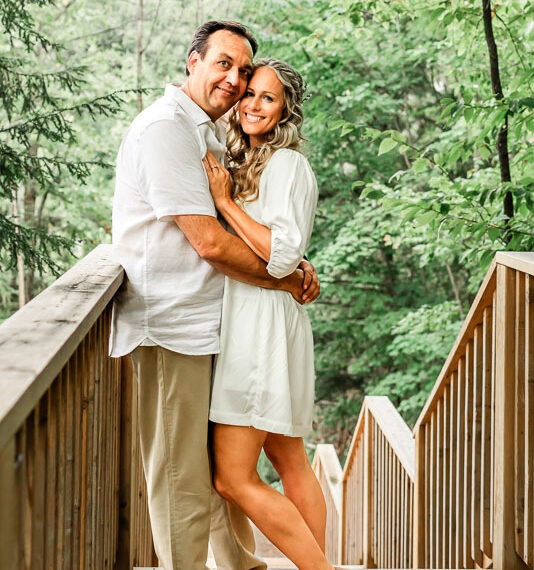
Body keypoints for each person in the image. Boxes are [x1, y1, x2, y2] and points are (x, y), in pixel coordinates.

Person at [109, 21, 319, 570]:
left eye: (246, 73)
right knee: (182, 478)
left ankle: (243, 565)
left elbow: (256, 230)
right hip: (170, 326)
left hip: (213, 327)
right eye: (224, 64)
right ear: (193, 61)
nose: (235, 81)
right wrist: (287, 277)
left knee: (212, 474)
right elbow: (208, 242)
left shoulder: (207, 132)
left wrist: (291, 261)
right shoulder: (166, 129)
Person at [202, 59, 334, 570]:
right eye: (249, 94)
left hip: (259, 328)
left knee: (231, 477)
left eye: (267, 98)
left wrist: (226, 203)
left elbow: (280, 254)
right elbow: (288, 252)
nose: (253, 105)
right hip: (261, 317)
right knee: (289, 459)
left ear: (285, 111)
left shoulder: (286, 164)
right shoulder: (248, 158)